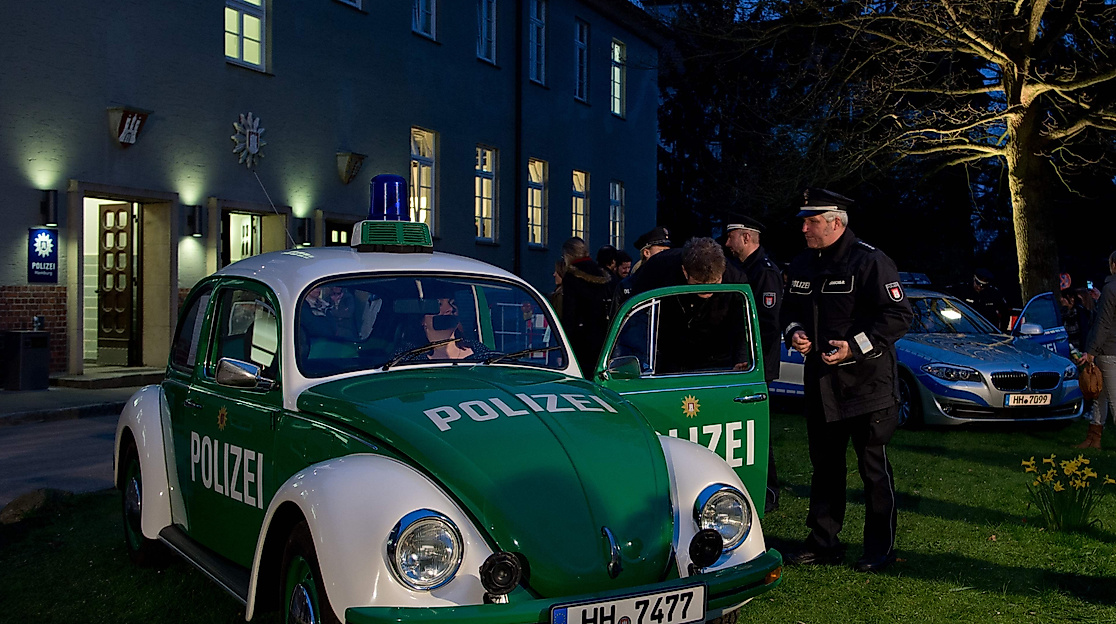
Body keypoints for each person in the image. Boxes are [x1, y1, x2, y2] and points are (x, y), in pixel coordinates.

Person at [780, 188, 913, 573]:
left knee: (872, 469)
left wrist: (853, 348)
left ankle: (878, 549)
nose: (804, 227)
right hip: (821, 386)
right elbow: (790, 310)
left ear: (836, 223)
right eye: (803, 220)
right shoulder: (803, 262)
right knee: (825, 467)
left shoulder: (870, 262)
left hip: (867, 386)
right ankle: (823, 542)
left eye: (812, 221)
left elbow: (898, 316)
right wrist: (794, 333)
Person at [724, 214, 784, 513]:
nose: (727, 242)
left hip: (755, 364)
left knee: (758, 427)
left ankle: (769, 489)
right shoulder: (746, 269)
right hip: (744, 362)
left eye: (731, 235)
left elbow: (768, 324)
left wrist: (748, 358)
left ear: (746, 237)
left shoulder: (764, 272)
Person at [1076, 251, 1116, 449]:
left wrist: (1091, 350)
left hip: (1108, 349)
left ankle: (1095, 438)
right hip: (1109, 348)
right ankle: (1094, 438)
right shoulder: (1109, 291)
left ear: (1113, 266)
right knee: (1100, 394)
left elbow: (1104, 324)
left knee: (1111, 396)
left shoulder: (1111, 288)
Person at [562, 237, 615, 376]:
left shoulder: (572, 276)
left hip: (580, 338)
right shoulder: (602, 274)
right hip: (604, 333)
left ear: (568, 255)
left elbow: (569, 312)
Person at [613, 226, 673, 312]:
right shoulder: (628, 285)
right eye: (662, 251)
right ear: (646, 253)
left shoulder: (673, 282)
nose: (667, 255)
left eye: (668, 251)